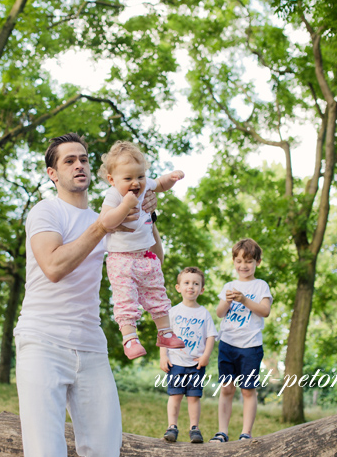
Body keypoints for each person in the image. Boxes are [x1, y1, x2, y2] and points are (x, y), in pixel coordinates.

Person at [13, 133, 159, 457]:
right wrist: (102, 228)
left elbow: (153, 262)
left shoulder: (108, 216)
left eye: (83, 159)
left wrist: (150, 216)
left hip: (91, 345)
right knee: (45, 451)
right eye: (69, 160)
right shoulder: (46, 212)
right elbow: (53, 266)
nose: (79, 165)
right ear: (52, 173)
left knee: (105, 449)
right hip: (42, 341)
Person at [97, 141, 186, 359]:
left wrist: (172, 178)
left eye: (140, 176)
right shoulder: (113, 196)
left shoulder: (145, 187)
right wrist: (125, 206)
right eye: (128, 179)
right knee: (125, 299)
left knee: (157, 293)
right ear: (112, 180)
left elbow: (161, 184)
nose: (136, 183)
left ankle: (165, 332)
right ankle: (130, 339)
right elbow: (106, 221)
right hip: (121, 260)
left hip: (145, 255)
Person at [209, 238, 272, 443]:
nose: (243, 266)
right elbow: (219, 313)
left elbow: (265, 311)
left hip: (250, 346)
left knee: (247, 389)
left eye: (248, 261)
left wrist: (244, 299)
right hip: (228, 343)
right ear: (233, 262)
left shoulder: (261, 285)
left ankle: (246, 433)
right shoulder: (229, 285)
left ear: (257, 262)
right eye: (239, 261)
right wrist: (227, 301)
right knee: (226, 388)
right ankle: (222, 431)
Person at [160, 267, 218, 444]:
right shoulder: (173, 312)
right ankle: (172, 426)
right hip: (176, 363)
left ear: (202, 289)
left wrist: (206, 356)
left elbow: (210, 336)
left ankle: (194, 428)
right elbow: (164, 334)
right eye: (186, 283)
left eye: (195, 284)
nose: (190, 287)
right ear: (178, 287)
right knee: (175, 396)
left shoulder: (204, 313)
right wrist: (163, 356)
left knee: (194, 397)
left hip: (195, 364)